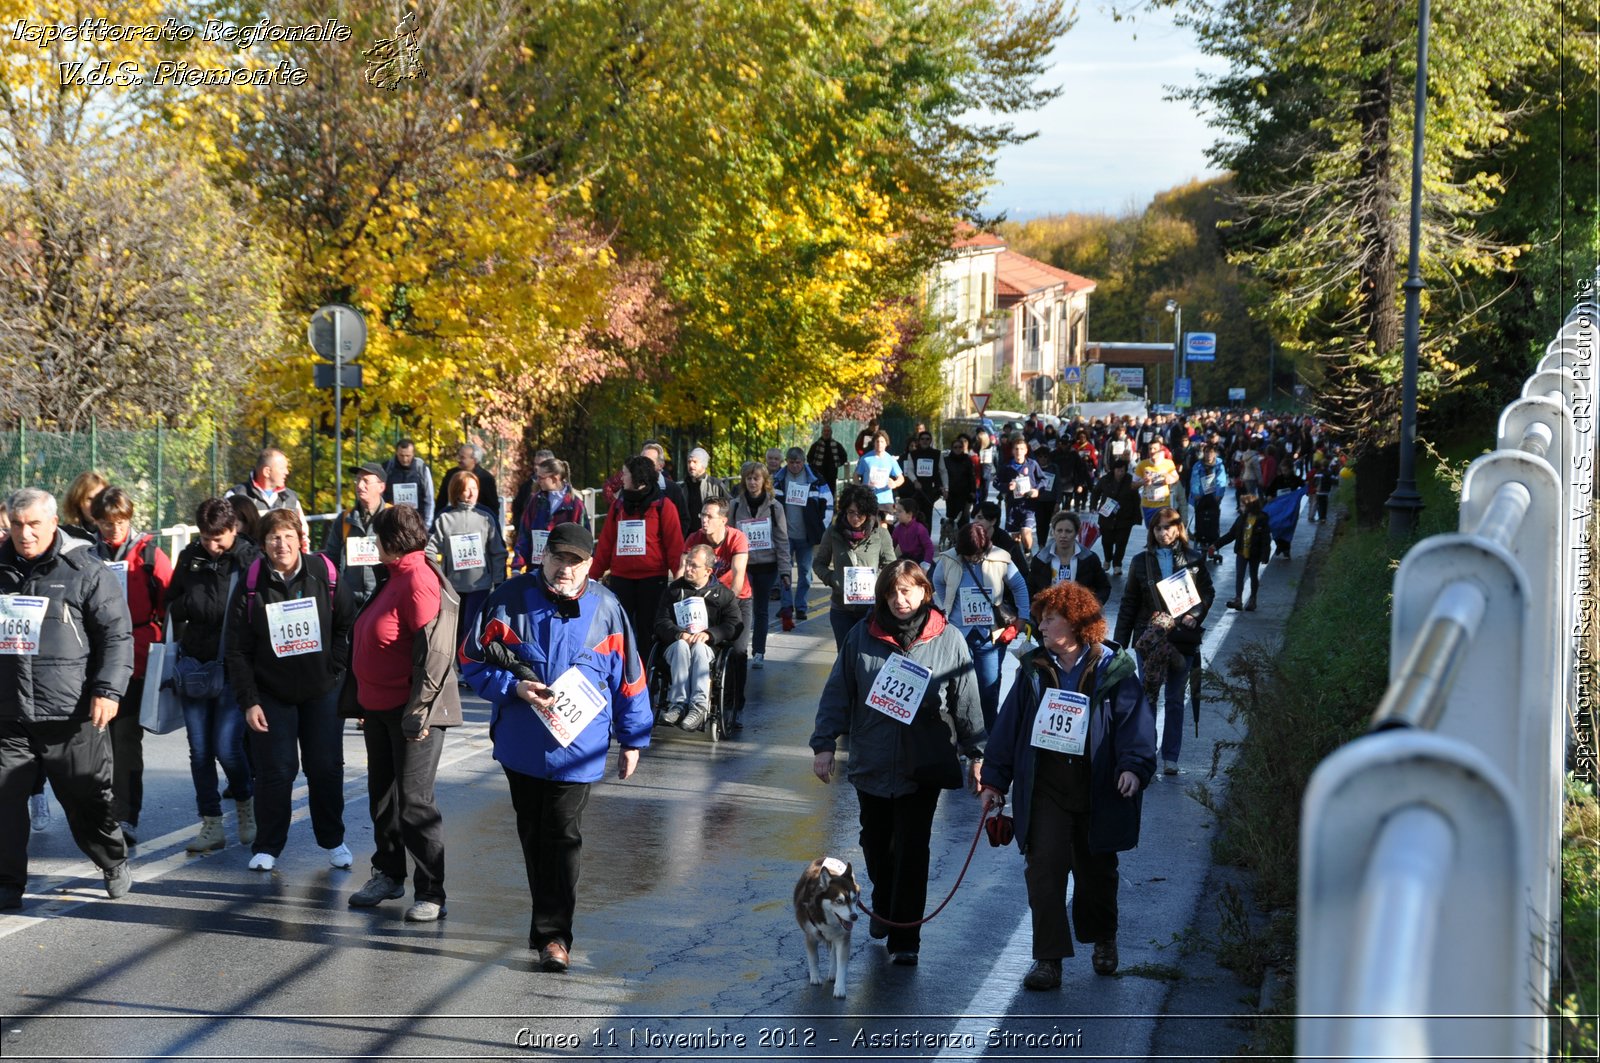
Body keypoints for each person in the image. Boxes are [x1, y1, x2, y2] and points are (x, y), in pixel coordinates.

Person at [459, 522, 653, 974]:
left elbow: (630, 676)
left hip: (579, 749)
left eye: (576, 561)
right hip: (521, 746)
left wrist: (633, 738)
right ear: (543, 556)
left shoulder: (608, 608)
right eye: (558, 558)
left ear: (590, 564)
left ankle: (554, 937)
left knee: (563, 838)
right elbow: (471, 658)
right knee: (534, 836)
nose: (566, 569)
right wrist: (513, 687)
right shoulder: (507, 599)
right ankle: (546, 928)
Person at [981, 578, 1156, 988]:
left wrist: (1133, 767)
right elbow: (1008, 730)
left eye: (1050, 620)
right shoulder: (1032, 671)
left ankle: (1104, 937)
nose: (1040, 627)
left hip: (1098, 786)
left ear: (1077, 624)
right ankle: (1048, 960)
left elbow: (1136, 725)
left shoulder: (1115, 670)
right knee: (1043, 869)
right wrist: (994, 781)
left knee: (1097, 873)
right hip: (1046, 787)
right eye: (1040, 620)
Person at [810, 560, 986, 966]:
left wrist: (979, 755)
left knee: (911, 849)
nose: (899, 599)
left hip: (921, 764)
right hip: (871, 759)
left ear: (925, 592)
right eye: (892, 592)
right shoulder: (862, 635)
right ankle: (884, 904)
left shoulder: (950, 639)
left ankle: (906, 937)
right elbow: (839, 691)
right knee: (876, 844)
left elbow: (968, 702)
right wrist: (823, 744)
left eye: (907, 591)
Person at [0, 488, 133, 908]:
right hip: (9, 714)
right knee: (3, 801)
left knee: (86, 800)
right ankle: (6, 884)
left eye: (34, 524)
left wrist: (108, 690)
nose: (25, 534)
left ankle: (111, 859)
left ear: (53, 523)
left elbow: (116, 636)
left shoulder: (85, 570)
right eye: (17, 525)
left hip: (71, 713)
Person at [345, 504, 461, 922]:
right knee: (384, 799)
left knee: (415, 804)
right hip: (379, 710)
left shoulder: (417, 579)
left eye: (377, 538)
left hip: (414, 714)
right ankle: (389, 874)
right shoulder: (395, 574)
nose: (373, 545)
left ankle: (431, 892)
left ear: (392, 543)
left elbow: (437, 653)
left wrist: (419, 712)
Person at [225, 508, 355, 872]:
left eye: (287, 536)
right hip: (271, 693)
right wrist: (249, 701)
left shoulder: (325, 574)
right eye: (272, 538)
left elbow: (348, 623)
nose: (281, 544)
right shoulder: (251, 584)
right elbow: (236, 649)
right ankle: (268, 846)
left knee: (326, 767)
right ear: (263, 543)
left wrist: (337, 666)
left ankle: (333, 840)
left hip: (322, 689)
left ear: (300, 538)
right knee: (275, 771)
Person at [167, 498, 258, 853]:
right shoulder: (191, 557)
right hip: (194, 664)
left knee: (226, 746)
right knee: (199, 751)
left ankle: (246, 805)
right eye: (206, 537)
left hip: (235, 666)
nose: (213, 545)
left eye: (219, 538)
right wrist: (190, 605)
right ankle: (211, 824)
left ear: (234, 529)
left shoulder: (250, 559)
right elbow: (171, 601)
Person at [89, 487, 174, 846]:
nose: (113, 529)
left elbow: (170, 603)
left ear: (129, 519)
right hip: (92, 657)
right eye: (107, 523)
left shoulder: (150, 555)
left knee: (125, 740)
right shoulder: (87, 554)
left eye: (120, 522)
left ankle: (125, 816)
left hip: (137, 657)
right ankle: (100, 811)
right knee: (95, 743)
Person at [1113, 506, 1214, 776]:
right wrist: (1118, 643)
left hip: (1182, 639)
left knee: (1174, 699)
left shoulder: (1194, 558)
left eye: (1168, 527)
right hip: (1150, 637)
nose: (1162, 533)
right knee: (1148, 698)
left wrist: (1196, 614)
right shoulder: (1140, 561)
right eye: (1157, 528)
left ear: (1178, 529)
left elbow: (1207, 592)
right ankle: (1146, 754)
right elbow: (1129, 603)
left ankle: (1170, 757)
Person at [931, 522, 1030, 730]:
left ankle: (990, 734)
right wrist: (948, 603)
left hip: (990, 635)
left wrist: (1023, 617)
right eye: (968, 555)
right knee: (958, 687)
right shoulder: (948, 559)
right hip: (958, 633)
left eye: (977, 554)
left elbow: (1019, 585)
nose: (973, 558)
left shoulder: (1001, 558)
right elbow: (937, 581)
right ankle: (963, 733)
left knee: (988, 688)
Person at [592, 454, 686, 659]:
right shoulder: (618, 506)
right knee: (618, 628)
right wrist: (591, 577)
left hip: (652, 579)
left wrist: (680, 582)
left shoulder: (663, 506)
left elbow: (674, 546)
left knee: (647, 631)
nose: (621, 478)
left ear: (638, 478)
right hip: (621, 578)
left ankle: (644, 675)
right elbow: (605, 544)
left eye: (625, 474)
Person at [653, 543, 744, 732]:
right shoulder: (674, 591)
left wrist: (710, 634)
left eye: (694, 565)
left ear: (708, 571)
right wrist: (679, 633)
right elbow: (661, 621)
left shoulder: (723, 595)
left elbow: (734, 625)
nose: (688, 569)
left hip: (708, 649)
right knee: (681, 646)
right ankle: (677, 704)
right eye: (687, 563)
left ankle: (698, 706)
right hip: (676, 646)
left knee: (700, 649)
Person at [683, 500, 752, 729]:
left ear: (723, 520)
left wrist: (726, 607)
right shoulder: (694, 539)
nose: (704, 520)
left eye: (709, 516)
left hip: (735, 600)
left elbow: (738, 573)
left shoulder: (736, 538)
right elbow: (680, 571)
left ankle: (736, 705)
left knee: (739, 650)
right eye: (702, 515)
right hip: (702, 602)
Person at [428, 472, 507, 664]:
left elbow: (498, 552)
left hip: (480, 585)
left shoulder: (486, 518)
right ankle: (455, 666)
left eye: (475, 488)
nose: (471, 493)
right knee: (453, 628)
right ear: (456, 491)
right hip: (452, 587)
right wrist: (438, 576)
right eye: (466, 488)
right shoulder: (444, 519)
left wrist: (498, 581)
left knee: (473, 627)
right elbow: (429, 549)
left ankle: (470, 666)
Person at [812, 484, 897, 650]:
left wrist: (876, 581)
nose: (855, 517)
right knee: (844, 655)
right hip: (841, 608)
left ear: (869, 512)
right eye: (851, 512)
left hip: (871, 609)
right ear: (844, 510)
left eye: (860, 513)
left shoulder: (880, 534)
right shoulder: (833, 532)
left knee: (867, 654)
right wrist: (833, 579)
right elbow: (818, 563)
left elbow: (891, 566)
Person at [727, 460, 790, 670]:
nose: (752, 482)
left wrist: (785, 571)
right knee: (738, 608)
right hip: (742, 566)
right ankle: (739, 649)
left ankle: (759, 651)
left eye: (756, 478)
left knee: (761, 609)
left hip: (767, 566)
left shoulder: (775, 507)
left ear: (764, 481)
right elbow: (728, 536)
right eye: (749, 478)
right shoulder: (735, 506)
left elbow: (782, 540)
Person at [772, 447, 832, 626]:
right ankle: (787, 606)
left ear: (803, 462)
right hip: (785, 535)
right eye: (791, 462)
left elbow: (828, 503)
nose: (795, 466)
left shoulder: (816, 480)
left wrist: (822, 527)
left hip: (806, 535)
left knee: (805, 574)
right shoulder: (777, 481)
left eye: (798, 462)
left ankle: (801, 606)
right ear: (787, 462)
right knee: (785, 572)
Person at [322, 462, 391, 608]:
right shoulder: (344, 519)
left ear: (381, 487)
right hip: (351, 602)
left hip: (386, 599)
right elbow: (331, 560)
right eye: (358, 480)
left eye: (366, 481)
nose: (359, 486)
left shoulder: (393, 517)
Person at [514, 458, 588, 571]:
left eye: (541, 478)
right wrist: (517, 566)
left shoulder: (575, 505)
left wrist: (582, 570)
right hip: (536, 568)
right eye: (536, 477)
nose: (537, 481)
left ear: (555, 478)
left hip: (563, 569)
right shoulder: (535, 501)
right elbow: (524, 534)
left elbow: (583, 540)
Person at [1029, 510, 1111, 606]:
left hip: (1079, 615)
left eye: (1068, 531)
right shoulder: (1040, 559)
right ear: (1053, 532)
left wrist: (1093, 605)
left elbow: (1104, 587)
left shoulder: (1090, 559)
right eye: (1059, 530)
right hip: (1048, 615)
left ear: (1076, 533)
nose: (1063, 535)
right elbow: (1030, 588)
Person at [227, 447, 308, 542]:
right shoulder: (236, 496)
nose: (287, 472)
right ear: (267, 472)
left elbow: (303, 531)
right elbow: (227, 533)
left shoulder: (291, 498)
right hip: (250, 556)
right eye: (282, 468)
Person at [1216, 494, 1271, 611]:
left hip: (1254, 552)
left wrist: (1265, 554)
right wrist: (1216, 544)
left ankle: (1253, 599)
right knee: (1239, 575)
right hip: (1241, 551)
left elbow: (1266, 539)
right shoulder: (1241, 519)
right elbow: (1231, 535)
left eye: (1242, 505)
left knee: (1253, 575)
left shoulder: (1261, 520)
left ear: (1251, 506)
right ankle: (1238, 599)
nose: (1240, 508)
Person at [1091, 459, 1141, 578]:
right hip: (1106, 517)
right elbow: (1096, 492)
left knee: (1121, 542)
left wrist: (1136, 517)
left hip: (1124, 517)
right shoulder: (1105, 480)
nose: (1120, 473)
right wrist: (1093, 506)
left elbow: (1136, 499)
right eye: (1118, 470)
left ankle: (1117, 564)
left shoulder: (1130, 481)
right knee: (1106, 541)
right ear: (1114, 470)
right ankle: (1108, 559)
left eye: (1123, 470)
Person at [996, 436, 1045, 553]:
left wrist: (1037, 490)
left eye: (1021, 449)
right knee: (1015, 538)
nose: (1019, 452)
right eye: (1016, 449)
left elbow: (1043, 479)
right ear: (1013, 451)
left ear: (1026, 450)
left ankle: (1028, 553)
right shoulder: (1006, 466)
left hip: (1028, 505)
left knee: (1026, 532)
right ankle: (1020, 560)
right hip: (1013, 506)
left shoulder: (1032, 464)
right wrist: (1007, 486)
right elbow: (996, 482)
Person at [439, 443, 500, 522]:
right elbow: (441, 500)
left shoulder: (486, 478)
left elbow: (493, 505)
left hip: (479, 520)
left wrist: (492, 524)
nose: (459, 460)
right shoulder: (451, 475)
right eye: (459, 456)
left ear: (474, 460)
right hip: (454, 520)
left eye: (462, 458)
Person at [382, 437, 436, 527]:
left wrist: (427, 525)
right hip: (393, 521)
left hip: (417, 522)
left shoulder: (421, 469)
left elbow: (429, 499)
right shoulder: (387, 468)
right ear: (396, 453)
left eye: (408, 456)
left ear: (413, 454)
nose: (404, 459)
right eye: (401, 455)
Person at [1190, 444, 1229, 563]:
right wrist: (1196, 493)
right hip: (1201, 497)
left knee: (1213, 518)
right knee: (1200, 517)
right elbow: (1195, 480)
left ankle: (1212, 540)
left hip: (1213, 497)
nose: (1209, 455)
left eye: (1211, 452)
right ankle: (1201, 539)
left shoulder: (1219, 466)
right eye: (1207, 452)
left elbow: (1221, 480)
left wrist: (1219, 494)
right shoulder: (1198, 465)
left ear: (1215, 453)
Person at [678, 447, 728, 538]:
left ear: (703, 464)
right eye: (689, 462)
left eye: (695, 462)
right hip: (688, 537)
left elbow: (728, 507)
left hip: (711, 536)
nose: (691, 465)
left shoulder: (716, 485)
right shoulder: (682, 488)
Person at [854, 430, 905, 515]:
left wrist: (895, 484)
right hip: (868, 498)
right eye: (877, 441)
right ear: (873, 443)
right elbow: (856, 475)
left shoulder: (890, 460)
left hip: (886, 500)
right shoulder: (865, 459)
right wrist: (860, 487)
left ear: (886, 443)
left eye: (882, 441)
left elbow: (901, 478)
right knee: (869, 525)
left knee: (884, 526)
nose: (879, 444)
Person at [1132, 439, 1180, 530]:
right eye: (1150, 449)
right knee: (1151, 530)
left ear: (1160, 449)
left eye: (1155, 448)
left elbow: (1176, 477)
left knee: (1162, 529)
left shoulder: (1168, 463)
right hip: (1147, 505)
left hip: (1164, 504)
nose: (1152, 451)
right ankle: (1151, 544)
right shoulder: (1142, 464)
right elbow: (1133, 485)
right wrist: (1143, 482)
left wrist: (1169, 480)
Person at [941, 434, 979, 535]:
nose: (958, 449)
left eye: (960, 447)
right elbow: (942, 475)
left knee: (964, 517)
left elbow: (972, 476)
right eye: (955, 447)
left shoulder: (967, 459)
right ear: (952, 448)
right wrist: (943, 489)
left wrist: (973, 491)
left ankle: (964, 538)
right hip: (951, 493)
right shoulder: (946, 460)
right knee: (951, 517)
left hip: (965, 493)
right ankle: (951, 538)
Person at [61, 471, 109, 539]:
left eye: (100, 498)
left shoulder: (118, 533)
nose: (96, 504)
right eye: (90, 499)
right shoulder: (66, 536)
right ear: (77, 501)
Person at [890, 495, 935, 566]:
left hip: (920, 560)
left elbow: (929, 548)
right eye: (896, 511)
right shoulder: (898, 529)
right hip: (906, 560)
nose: (896, 514)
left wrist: (926, 564)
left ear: (909, 514)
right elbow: (891, 546)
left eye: (900, 511)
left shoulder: (920, 529)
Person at [807, 422, 850, 493]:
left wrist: (836, 465)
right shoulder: (816, 445)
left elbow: (844, 457)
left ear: (831, 433)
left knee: (830, 494)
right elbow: (809, 458)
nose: (826, 433)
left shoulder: (836, 445)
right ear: (822, 432)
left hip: (831, 476)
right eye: (825, 431)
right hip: (818, 475)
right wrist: (814, 467)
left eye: (828, 431)